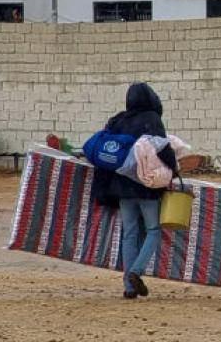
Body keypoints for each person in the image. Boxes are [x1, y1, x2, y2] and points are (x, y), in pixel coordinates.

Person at [90, 82, 179, 300]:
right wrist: (174, 170)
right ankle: (136, 273)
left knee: (129, 233)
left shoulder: (119, 120)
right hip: (147, 186)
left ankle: (129, 288)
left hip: (121, 188)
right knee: (153, 230)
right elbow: (163, 149)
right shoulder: (152, 119)